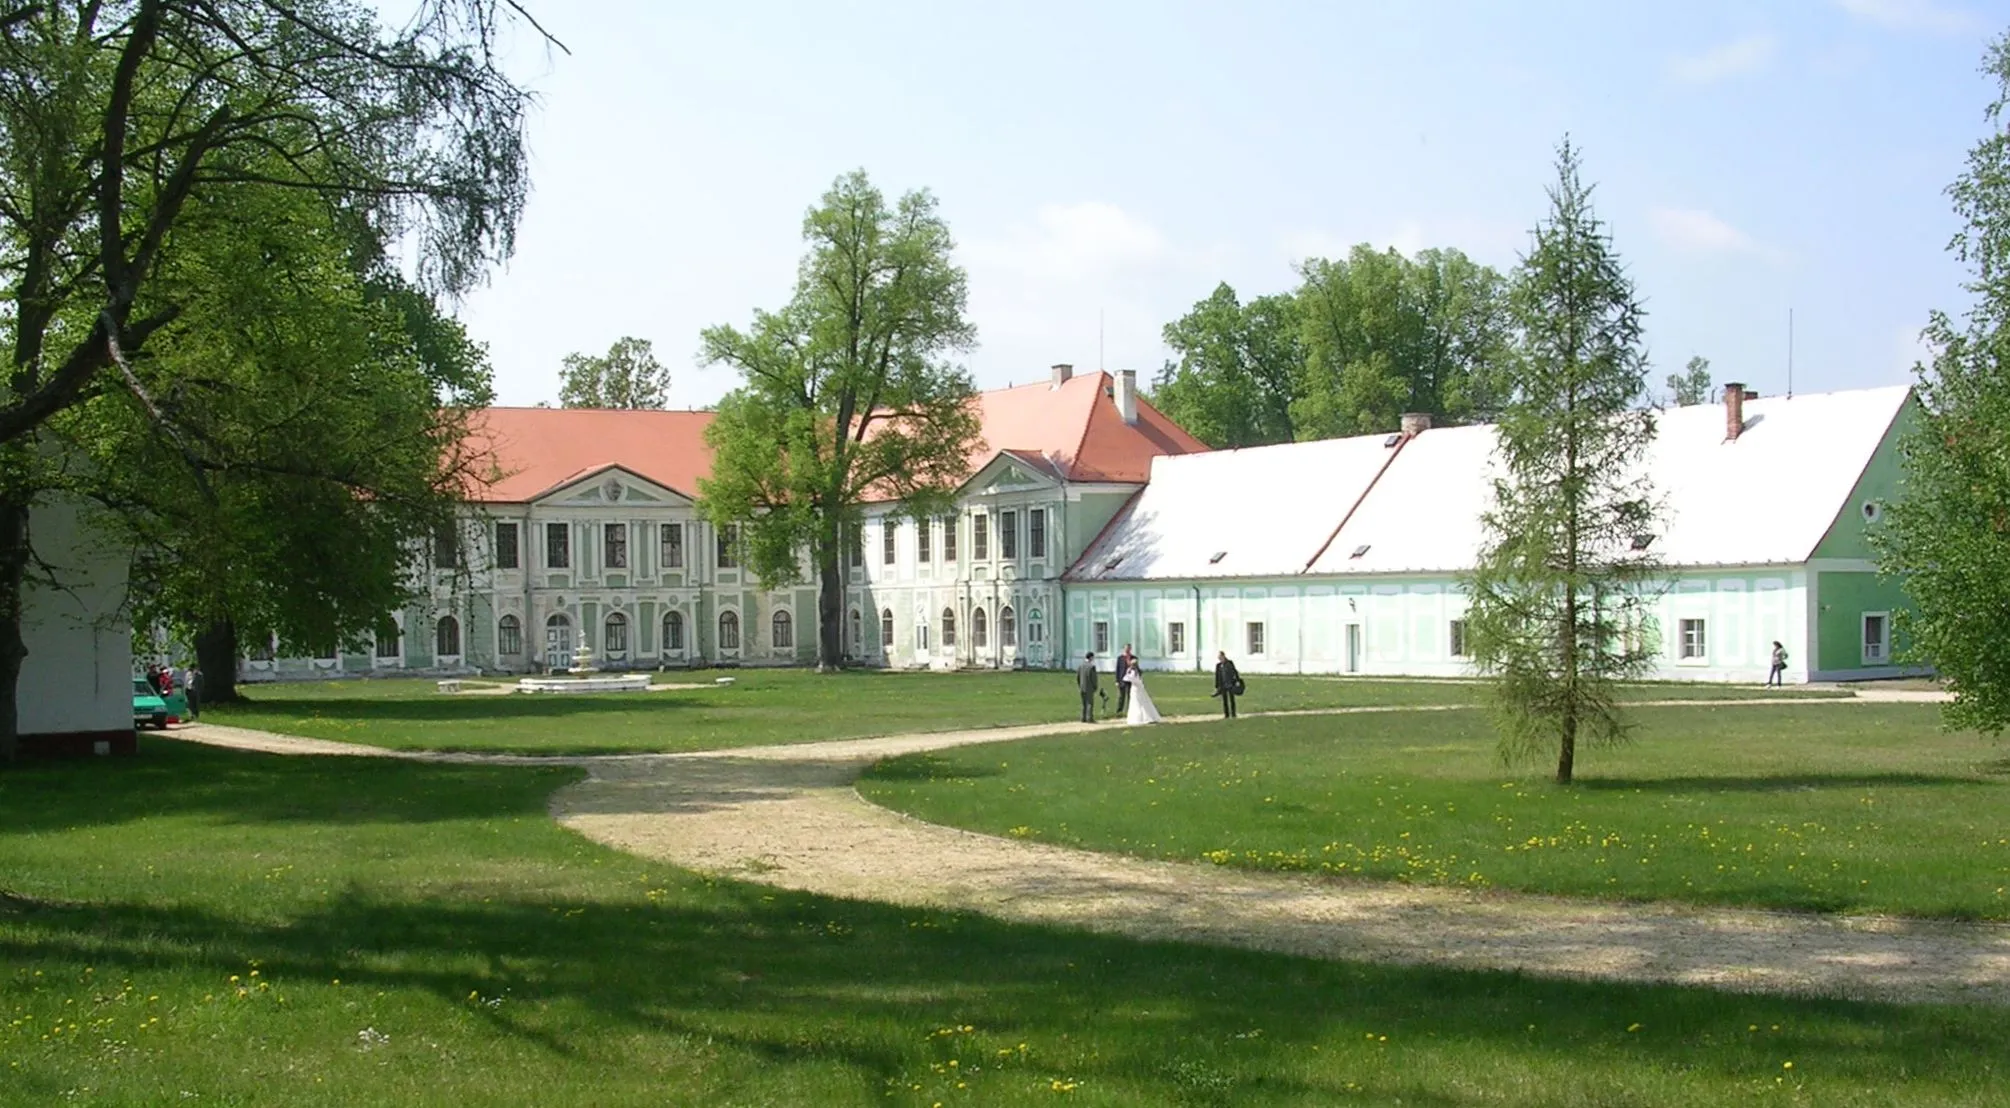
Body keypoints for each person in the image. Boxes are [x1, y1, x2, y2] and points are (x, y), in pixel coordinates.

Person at [1214, 651, 1242, 718]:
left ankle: (1233, 714)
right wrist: (1217, 686)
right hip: (1223, 684)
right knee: (1225, 700)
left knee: (1232, 699)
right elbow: (1217, 676)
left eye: (1220, 657)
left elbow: (1235, 672)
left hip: (1230, 683)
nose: (1219, 658)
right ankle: (1226, 714)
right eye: (1219, 657)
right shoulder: (1218, 665)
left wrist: (1237, 680)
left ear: (1223, 656)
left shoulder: (1229, 663)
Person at [1076, 651, 1099, 723]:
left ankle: (1083, 717)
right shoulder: (1091, 667)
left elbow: (1078, 677)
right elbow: (1093, 678)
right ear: (1091, 657)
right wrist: (1095, 686)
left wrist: (1080, 685)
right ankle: (1089, 718)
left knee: (1083, 703)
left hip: (1082, 686)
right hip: (1089, 687)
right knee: (1090, 703)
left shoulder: (1080, 665)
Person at [1113, 644, 1133, 716]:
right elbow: (1117, 670)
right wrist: (1117, 680)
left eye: (1128, 648)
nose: (1127, 650)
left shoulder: (1133, 658)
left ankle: (1130, 710)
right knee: (1121, 696)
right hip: (1122, 680)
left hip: (1130, 680)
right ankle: (1119, 711)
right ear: (1124, 649)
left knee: (1130, 696)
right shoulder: (1120, 658)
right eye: (1126, 648)